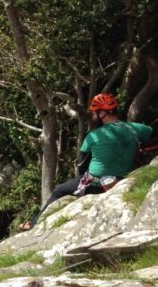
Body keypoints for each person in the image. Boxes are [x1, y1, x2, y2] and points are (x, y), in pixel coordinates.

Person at [22, 93, 152, 230]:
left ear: (102, 113)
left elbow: (82, 163)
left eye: (96, 112)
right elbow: (151, 133)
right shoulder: (136, 128)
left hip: (96, 184)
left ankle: (33, 223)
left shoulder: (93, 136)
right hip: (122, 179)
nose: (93, 115)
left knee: (59, 190)